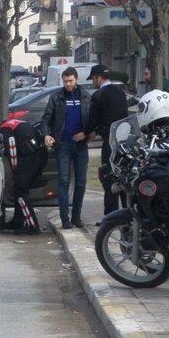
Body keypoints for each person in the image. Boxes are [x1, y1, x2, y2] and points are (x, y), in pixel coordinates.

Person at [41, 66, 91, 229]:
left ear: (76, 79)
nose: (68, 84)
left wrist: (87, 133)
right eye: (65, 81)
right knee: (63, 180)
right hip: (62, 144)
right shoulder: (57, 97)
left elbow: (92, 119)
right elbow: (46, 119)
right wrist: (46, 135)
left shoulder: (85, 96)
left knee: (81, 182)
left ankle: (76, 216)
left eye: (70, 80)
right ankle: (65, 219)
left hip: (81, 145)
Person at [0, 120, 48, 235]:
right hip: (41, 155)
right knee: (22, 189)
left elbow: (12, 147)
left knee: (20, 191)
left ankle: (32, 225)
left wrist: (15, 169)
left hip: (30, 158)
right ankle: (18, 221)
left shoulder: (4, 130)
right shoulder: (15, 124)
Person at [85, 64, 129, 218]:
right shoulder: (120, 92)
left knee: (109, 178)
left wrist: (86, 133)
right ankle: (127, 213)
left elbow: (93, 119)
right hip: (124, 143)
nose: (92, 83)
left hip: (109, 143)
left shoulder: (99, 95)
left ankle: (111, 216)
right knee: (124, 177)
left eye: (93, 79)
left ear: (98, 77)